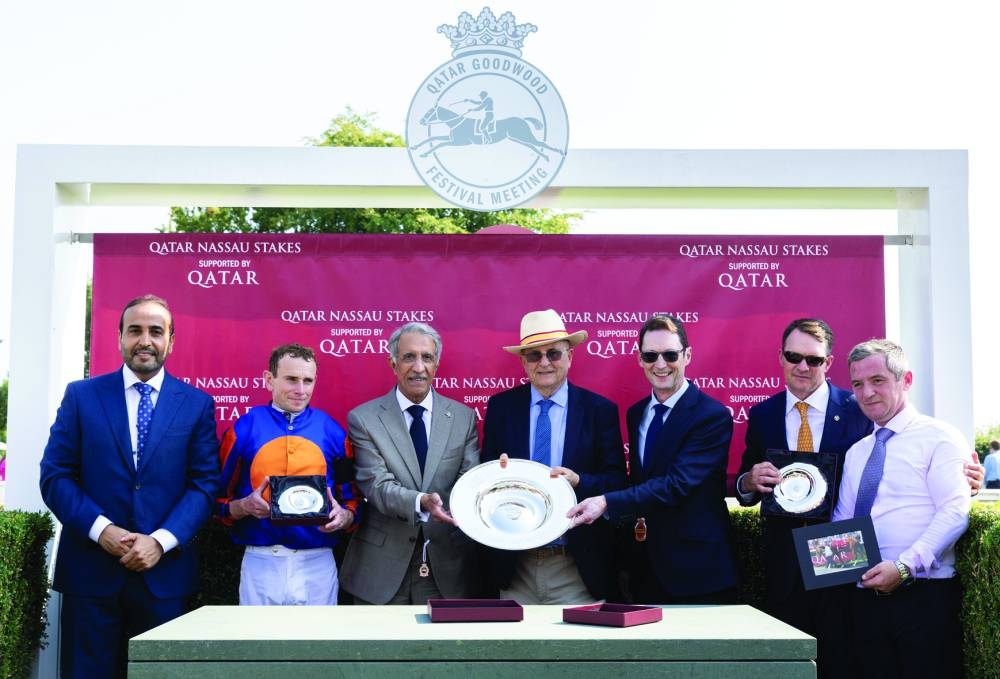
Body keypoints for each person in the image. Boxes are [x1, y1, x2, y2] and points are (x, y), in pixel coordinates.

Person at [39, 294, 219, 679]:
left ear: (171, 340)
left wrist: (160, 541)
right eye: (134, 330)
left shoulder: (197, 405)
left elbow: (204, 485)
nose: (145, 340)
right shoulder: (81, 396)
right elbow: (55, 476)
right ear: (119, 337)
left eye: (156, 331)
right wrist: (102, 530)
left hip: (164, 576)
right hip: (91, 573)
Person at [568, 314, 737, 604]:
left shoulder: (712, 416)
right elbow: (641, 482)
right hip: (644, 569)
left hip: (698, 572)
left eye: (670, 354)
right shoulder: (637, 414)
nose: (660, 364)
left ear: (687, 355)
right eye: (651, 355)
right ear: (639, 359)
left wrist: (607, 501)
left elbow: (676, 485)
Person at [735, 318, 870, 677]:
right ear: (780, 357)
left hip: (839, 543)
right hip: (783, 548)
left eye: (813, 359)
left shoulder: (858, 410)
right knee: (791, 654)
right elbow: (746, 484)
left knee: (838, 650)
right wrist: (749, 481)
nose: (802, 367)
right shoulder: (763, 414)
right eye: (794, 356)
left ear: (828, 363)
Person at [832, 339, 970, 679]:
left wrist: (904, 567)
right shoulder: (857, 452)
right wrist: (823, 564)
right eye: (858, 384)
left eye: (877, 381)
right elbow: (843, 522)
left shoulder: (941, 438)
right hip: (864, 601)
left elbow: (954, 511)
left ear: (905, 380)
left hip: (924, 599)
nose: (866, 393)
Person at [481, 309, 626, 604]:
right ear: (523, 362)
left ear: (570, 356)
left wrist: (579, 481)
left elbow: (617, 483)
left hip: (575, 566)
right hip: (514, 566)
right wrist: (498, 474)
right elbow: (484, 481)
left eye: (554, 354)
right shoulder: (501, 408)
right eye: (534, 355)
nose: (544, 362)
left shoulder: (600, 411)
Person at [339, 322, 481, 604]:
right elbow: (376, 485)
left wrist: (446, 506)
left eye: (426, 357)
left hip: (446, 567)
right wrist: (421, 502)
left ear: (437, 364)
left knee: (444, 649)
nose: (418, 367)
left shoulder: (463, 418)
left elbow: (469, 481)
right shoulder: (364, 419)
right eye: (408, 357)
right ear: (393, 363)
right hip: (381, 569)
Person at [216, 344, 359, 605]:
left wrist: (344, 516)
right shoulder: (243, 429)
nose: (301, 390)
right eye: (292, 379)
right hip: (261, 561)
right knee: (258, 646)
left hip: (318, 560)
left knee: (319, 646)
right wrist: (243, 506)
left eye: (308, 380)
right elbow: (216, 503)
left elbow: (353, 503)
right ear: (269, 379)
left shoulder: (334, 433)